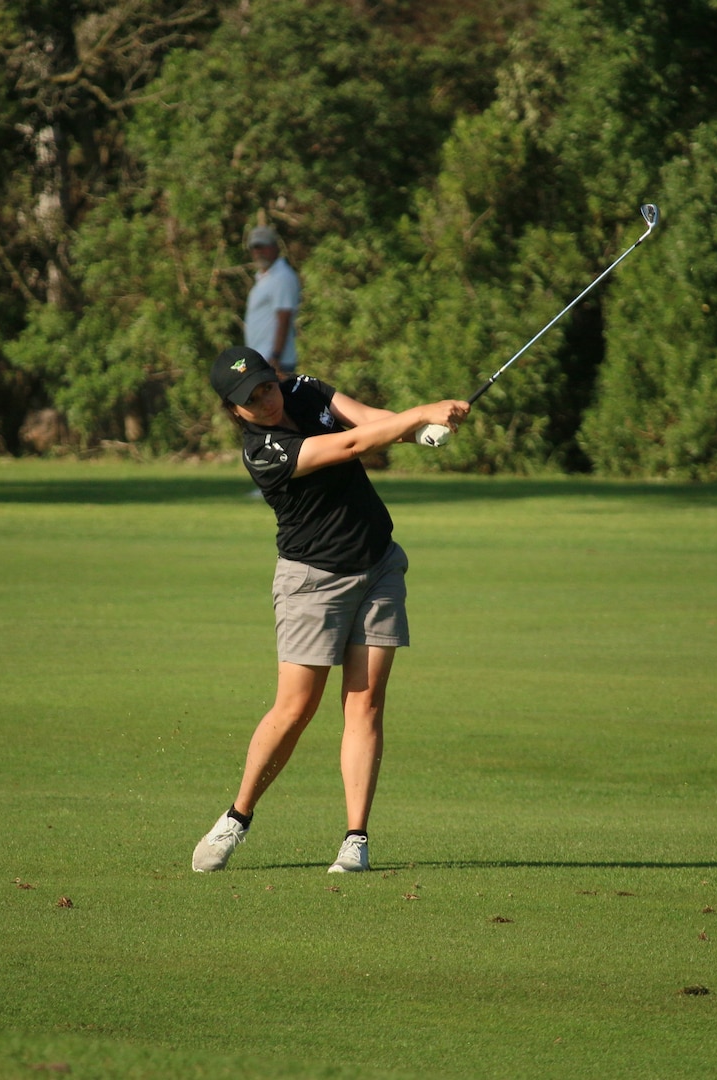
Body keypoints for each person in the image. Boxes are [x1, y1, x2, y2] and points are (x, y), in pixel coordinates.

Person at [192, 346, 469, 873]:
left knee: (364, 704)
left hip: (378, 564)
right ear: (234, 411)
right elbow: (352, 444)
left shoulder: (305, 390)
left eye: (266, 386)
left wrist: (419, 429)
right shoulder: (263, 452)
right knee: (295, 709)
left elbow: (370, 421)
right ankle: (238, 816)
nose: (265, 400)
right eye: (249, 399)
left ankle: (355, 840)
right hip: (312, 582)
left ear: (275, 378)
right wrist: (418, 415)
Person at [245, 226, 300, 375]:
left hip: (275, 362)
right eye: (255, 248)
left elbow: (284, 317)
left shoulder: (282, 277)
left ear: (275, 247)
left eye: (264, 247)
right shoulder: (264, 278)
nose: (259, 252)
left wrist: (275, 356)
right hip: (263, 359)